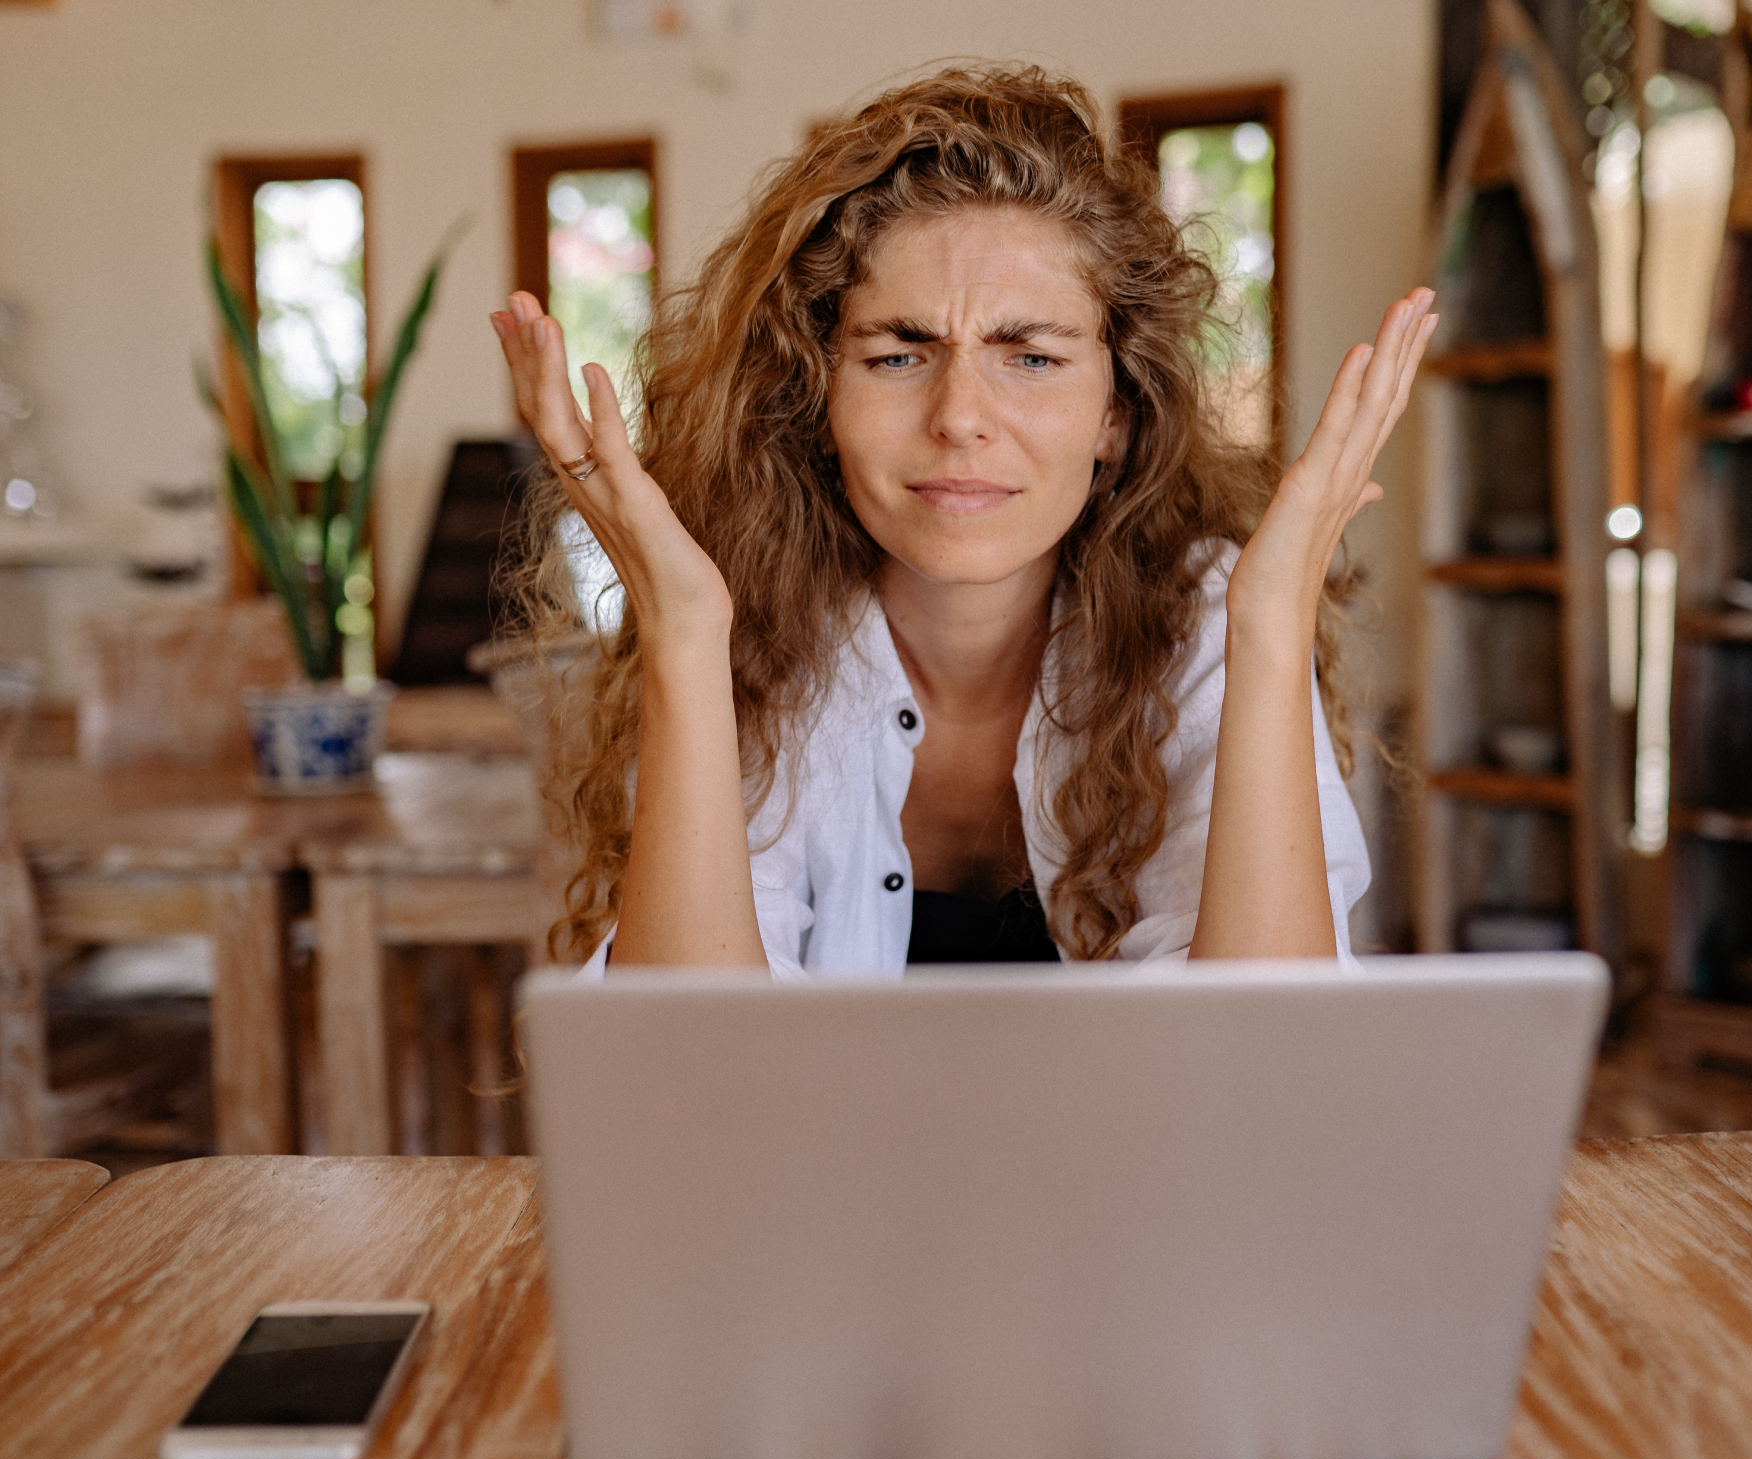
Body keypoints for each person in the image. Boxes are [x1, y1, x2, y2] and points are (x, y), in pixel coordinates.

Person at [492, 64, 1434, 977]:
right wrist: (686, 634)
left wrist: (1269, 624)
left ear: (1117, 412)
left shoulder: (1202, 616)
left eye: (1030, 357)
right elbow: (687, 1079)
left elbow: (1265, 1070)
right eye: (900, 355)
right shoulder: (750, 629)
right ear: (817, 399)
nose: (959, 417)